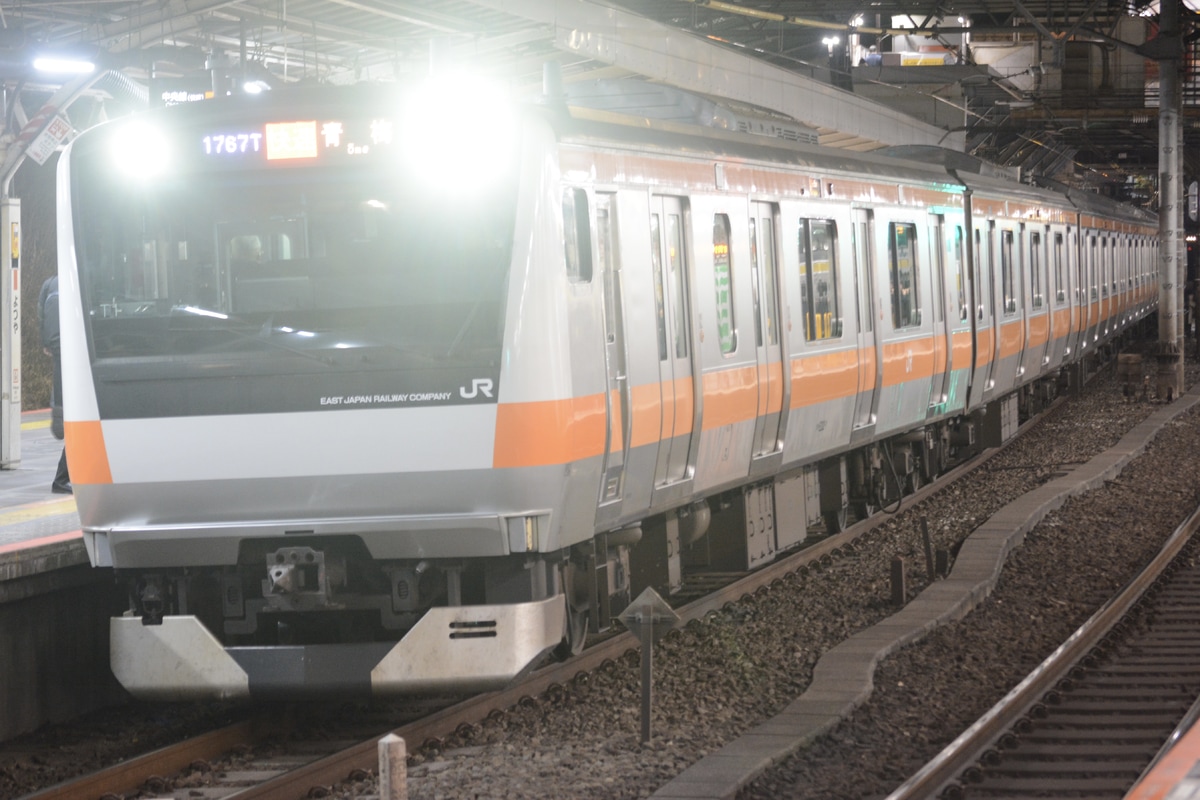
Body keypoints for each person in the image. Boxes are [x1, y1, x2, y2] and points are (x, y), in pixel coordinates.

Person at [39, 275, 70, 494]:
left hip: (59, 353)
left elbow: (41, 315)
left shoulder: (49, 283)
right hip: (71, 353)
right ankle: (60, 480)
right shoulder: (75, 280)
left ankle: (61, 479)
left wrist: (46, 343)